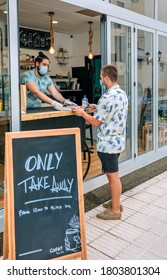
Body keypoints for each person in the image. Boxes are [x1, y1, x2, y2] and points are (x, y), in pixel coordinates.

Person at [72, 64, 128, 220]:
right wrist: (98, 107)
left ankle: (115, 210)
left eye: (102, 77)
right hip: (118, 141)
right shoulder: (122, 94)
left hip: (108, 144)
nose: (101, 80)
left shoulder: (107, 97)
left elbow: (95, 122)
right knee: (114, 175)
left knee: (113, 176)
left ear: (108, 78)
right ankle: (116, 203)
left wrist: (82, 113)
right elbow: (114, 112)